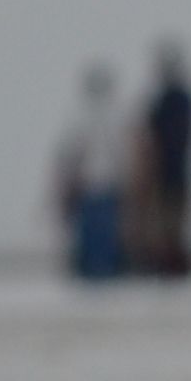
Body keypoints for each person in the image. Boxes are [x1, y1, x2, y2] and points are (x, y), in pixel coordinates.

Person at [53, 64, 130, 281]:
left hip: (109, 188)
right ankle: (89, 274)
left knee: (108, 237)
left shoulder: (116, 117)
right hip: (87, 189)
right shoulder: (78, 118)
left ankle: (107, 272)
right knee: (89, 238)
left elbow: (121, 155)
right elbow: (70, 157)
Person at [143, 41, 191, 278]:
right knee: (165, 223)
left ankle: (175, 265)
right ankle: (167, 265)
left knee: (175, 223)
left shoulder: (181, 100)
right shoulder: (165, 100)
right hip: (164, 172)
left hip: (175, 171)